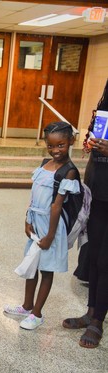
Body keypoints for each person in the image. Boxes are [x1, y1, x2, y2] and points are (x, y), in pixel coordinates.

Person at [3, 122, 80, 331]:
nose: (55, 151)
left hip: (51, 226)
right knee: (32, 265)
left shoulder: (69, 171)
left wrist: (50, 235)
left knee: (46, 270)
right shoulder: (44, 163)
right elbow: (34, 194)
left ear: (71, 142)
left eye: (61, 145)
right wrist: (27, 219)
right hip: (36, 222)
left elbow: (56, 206)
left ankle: (37, 314)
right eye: (51, 146)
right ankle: (27, 306)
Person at [63, 85, 108, 349]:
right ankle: (91, 311)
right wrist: (91, 142)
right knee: (91, 256)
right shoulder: (104, 107)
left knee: (105, 261)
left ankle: (98, 321)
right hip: (97, 189)